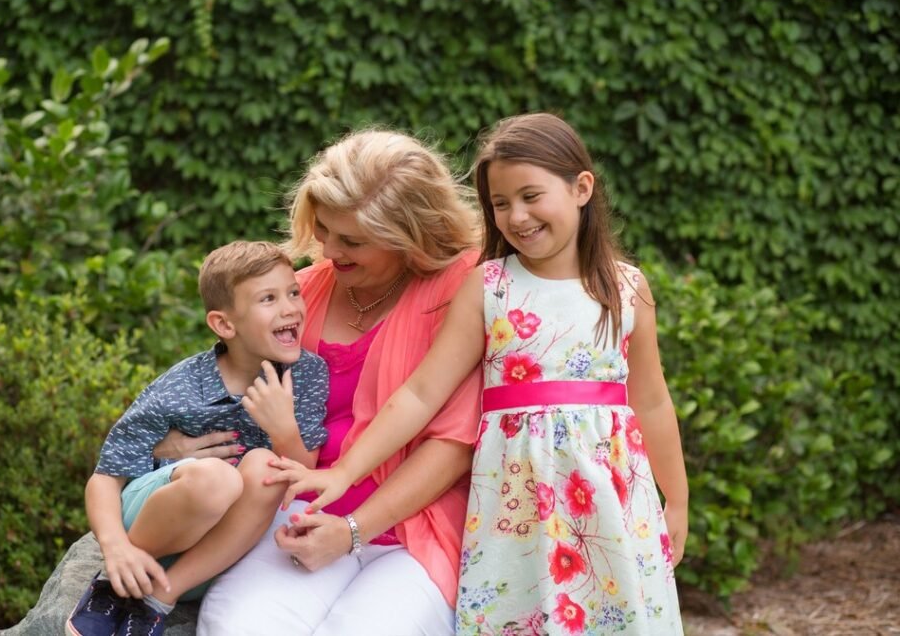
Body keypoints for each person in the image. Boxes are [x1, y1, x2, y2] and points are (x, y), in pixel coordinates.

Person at [272, 113, 689, 634]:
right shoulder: (488, 287)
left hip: (610, 498)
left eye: (531, 196)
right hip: (516, 507)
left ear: (582, 188)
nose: (516, 216)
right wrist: (344, 470)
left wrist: (677, 498)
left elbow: (650, 401)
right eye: (500, 203)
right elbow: (421, 394)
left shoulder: (627, 290)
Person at [166, 129, 483, 635]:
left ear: (410, 232)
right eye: (324, 230)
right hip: (297, 514)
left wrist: (352, 531)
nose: (329, 251)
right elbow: (233, 381)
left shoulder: (464, 292)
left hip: (415, 531)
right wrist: (178, 440)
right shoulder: (303, 292)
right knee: (238, 627)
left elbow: (453, 446)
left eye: (352, 240)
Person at [65, 241, 329, 636]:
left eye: (293, 292)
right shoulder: (181, 387)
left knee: (265, 466)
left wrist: (283, 429)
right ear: (225, 325)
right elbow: (106, 476)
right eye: (268, 299)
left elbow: (303, 472)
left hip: (215, 552)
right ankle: (113, 586)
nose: (290, 307)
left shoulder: (307, 374)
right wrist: (115, 547)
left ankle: (159, 596)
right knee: (216, 479)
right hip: (151, 526)